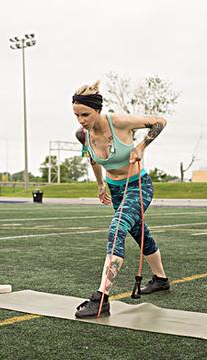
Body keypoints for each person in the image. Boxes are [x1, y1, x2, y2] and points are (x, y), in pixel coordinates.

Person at [72, 81, 170, 318]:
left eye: (85, 114)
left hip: (138, 186)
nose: (81, 120)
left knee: (117, 229)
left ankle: (102, 298)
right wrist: (100, 185)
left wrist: (142, 146)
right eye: (76, 115)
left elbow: (160, 121)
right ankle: (161, 279)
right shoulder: (82, 135)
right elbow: (94, 160)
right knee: (138, 231)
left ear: (98, 110)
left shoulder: (118, 122)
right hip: (116, 190)